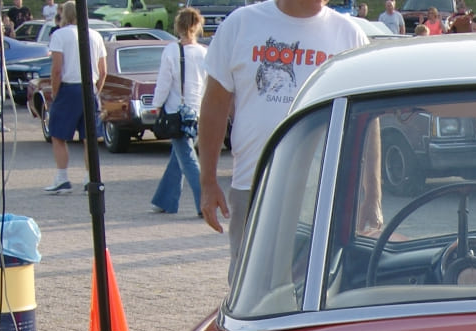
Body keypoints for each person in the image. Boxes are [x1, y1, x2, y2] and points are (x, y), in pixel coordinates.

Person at [198, 0, 367, 280]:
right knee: (250, 284)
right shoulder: (241, 24)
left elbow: (365, 122)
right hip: (253, 184)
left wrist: (370, 193)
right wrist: (208, 182)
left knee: (317, 286)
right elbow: (214, 105)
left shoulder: (348, 34)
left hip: (323, 192)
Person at [148, 7, 206, 215]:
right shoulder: (203, 52)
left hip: (176, 112)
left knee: (187, 158)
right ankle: (165, 200)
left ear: (178, 26)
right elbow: (208, 84)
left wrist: (156, 104)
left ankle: (204, 203)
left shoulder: (172, 50)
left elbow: (164, 82)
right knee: (179, 156)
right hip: (196, 111)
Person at [43, 1, 105, 194]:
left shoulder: (59, 35)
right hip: (90, 88)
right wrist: (96, 90)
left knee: (58, 135)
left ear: (64, 15)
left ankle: (62, 178)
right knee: (89, 137)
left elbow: (57, 69)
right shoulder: (95, 35)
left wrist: (55, 92)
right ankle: (90, 178)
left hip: (68, 88)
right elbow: (103, 71)